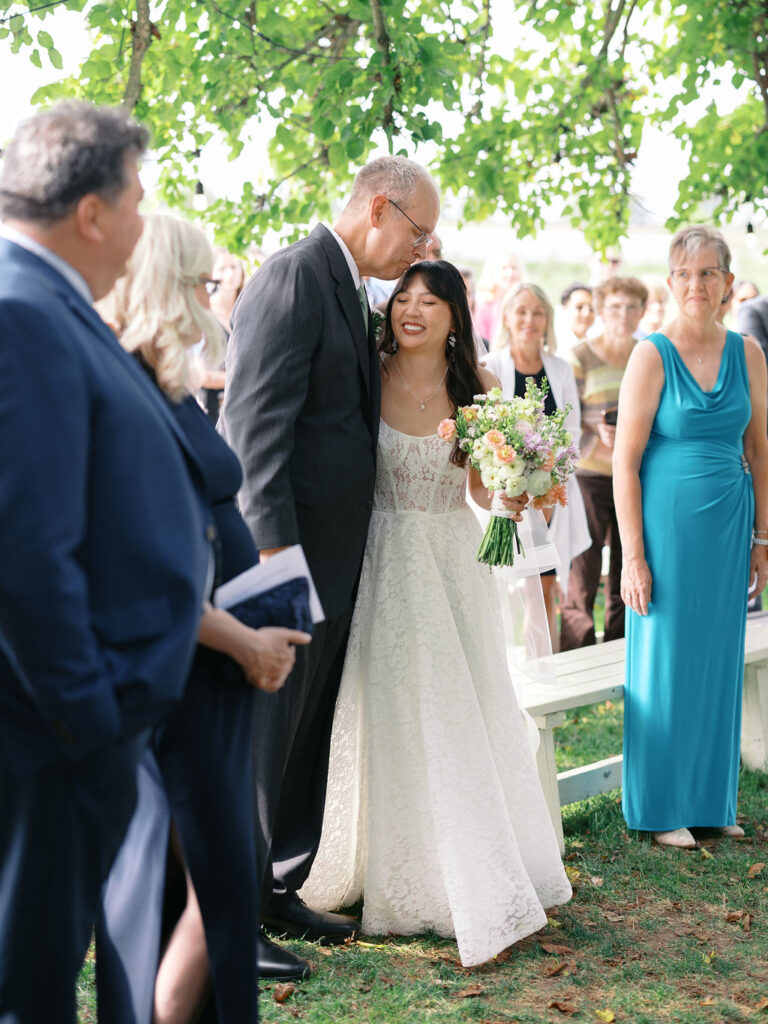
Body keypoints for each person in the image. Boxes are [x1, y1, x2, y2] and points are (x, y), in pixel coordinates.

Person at [0, 102, 211, 1022]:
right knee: (30, 981)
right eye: (135, 198)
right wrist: (90, 718)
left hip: (74, 726)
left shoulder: (50, 302)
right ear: (90, 211)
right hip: (53, 735)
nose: (140, 221)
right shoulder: (23, 311)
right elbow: (26, 552)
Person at [300, 261, 572, 967]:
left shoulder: (476, 392)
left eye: (430, 300)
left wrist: (514, 492)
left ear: (456, 317)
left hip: (452, 566)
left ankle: (468, 870)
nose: (410, 310)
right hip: (382, 561)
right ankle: (382, 861)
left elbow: (484, 489)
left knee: (456, 711)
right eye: (403, 298)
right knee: (386, 708)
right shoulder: (370, 372)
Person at [218, 155, 441, 980]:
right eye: (416, 234)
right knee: (259, 745)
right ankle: (229, 922)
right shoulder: (292, 277)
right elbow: (252, 435)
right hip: (285, 559)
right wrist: (275, 564)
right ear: (378, 209)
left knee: (302, 737)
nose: (420, 253)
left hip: (334, 559)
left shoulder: (348, 284)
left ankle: (279, 884)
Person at [96, 214, 311, 1023]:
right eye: (197, 280)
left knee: (213, 892)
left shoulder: (170, 382)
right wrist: (243, 638)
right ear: (161, 282)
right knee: (203, 891)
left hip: (219, 672)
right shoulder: (124, 392)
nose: (210, 295)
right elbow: (142, 573)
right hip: (182, 672)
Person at [613, 225, 768, 849]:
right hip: (665, 529)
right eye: (685, 273)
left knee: (717, 659)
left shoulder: (749, 353)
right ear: (671, 283)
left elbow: (759, 447)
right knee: (667, 661)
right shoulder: (651, 354)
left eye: (709, 273)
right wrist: (632, 558)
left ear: (729, 283)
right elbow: (624, 461)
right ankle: (660, 807)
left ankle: (711, 801)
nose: (697, 284)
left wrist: (764, 538)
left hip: (730, 525)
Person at [484, 283, 590, 650]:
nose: (529, 320)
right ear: (508, 318)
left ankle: (545, 669)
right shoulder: (491, 366)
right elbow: (486, 429)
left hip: (548, 498)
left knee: (545, 587)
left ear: (547, 319)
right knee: (503, 590)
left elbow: (571, 431)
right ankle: (509, 677)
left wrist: (546, 485)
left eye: (538, 312)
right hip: (504, 499)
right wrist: (513, 483)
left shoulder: (559, 370)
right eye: (522, 311)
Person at [560, 277, 648, 650]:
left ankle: (619, 654)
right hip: (591, 476)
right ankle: (576, 662)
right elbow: (565, 420)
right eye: (614, 307)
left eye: (631, 307)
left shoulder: (648, 354)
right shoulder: (579, 356)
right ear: (600, 310)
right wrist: (597, 433)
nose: (623, 315)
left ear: (643, 311)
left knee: (628, 565)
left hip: (637, 477)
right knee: (584, 569)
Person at [197, 248, 249, 422]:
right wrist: (246, 379)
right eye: (222, 268)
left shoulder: (249, 311)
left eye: (234, 267)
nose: (230, 274)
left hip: (247, 407)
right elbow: (201, 374)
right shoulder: (204, 315)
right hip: (214, 408)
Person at [556, 282, 595, 354]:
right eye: (579, 307)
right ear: (565, 308)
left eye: (591, 308)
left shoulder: (595, 346)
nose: (586, 313)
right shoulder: (556, 347)